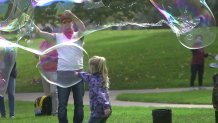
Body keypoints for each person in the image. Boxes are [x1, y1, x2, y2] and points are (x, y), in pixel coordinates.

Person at [34, 10, 85, 123]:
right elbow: (41, 33)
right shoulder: (57, 37)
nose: (66, 24)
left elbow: (83, 27)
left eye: (68, 21)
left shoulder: (78, 35)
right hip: (62, 74)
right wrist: (33, 26)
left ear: (72, 23)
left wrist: (72, 15)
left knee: (79, 105)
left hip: (78, 73)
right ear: (61, 25)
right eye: (64, 22)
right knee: (62, 106)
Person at [75, 56, 112, 123]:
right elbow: (87, 76)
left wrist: (105, 106)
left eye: (90, 66)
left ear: (93, 67)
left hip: (99, 109)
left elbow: (100, 94)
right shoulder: (99, 77)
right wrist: (78, 74)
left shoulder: (94, 80)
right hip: (105, 108)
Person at [35, 26, 58, 115]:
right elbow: (39, 55)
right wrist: (37, 55)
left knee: (53, 92)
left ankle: (55, 112)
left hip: (54, 71)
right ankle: (49, 110)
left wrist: (47, 57)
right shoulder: (42, 44)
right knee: (47, 93)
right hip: (44, 71)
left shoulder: (55, 44)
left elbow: (58, 57)